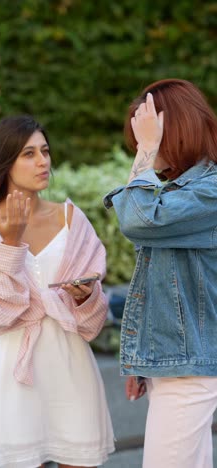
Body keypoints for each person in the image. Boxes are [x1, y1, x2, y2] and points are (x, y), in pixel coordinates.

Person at [0, 115, 115, 468]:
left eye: (45, 151)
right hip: (14, 371)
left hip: (71, 365)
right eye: (28, 154)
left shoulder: (71, 220)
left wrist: (84, 296)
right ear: (5, 163)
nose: (42, 161)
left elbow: (94, 316)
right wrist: (10, 244)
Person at [103, 78, 217, 468]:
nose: (140, 147)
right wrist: (143, 360)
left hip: (190, 370)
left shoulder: (211, 190)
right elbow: (163, 283)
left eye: (148, 136)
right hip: (174, 365)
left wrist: (147, 153)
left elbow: (139, 222)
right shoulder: (180, 191)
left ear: (178, 129)